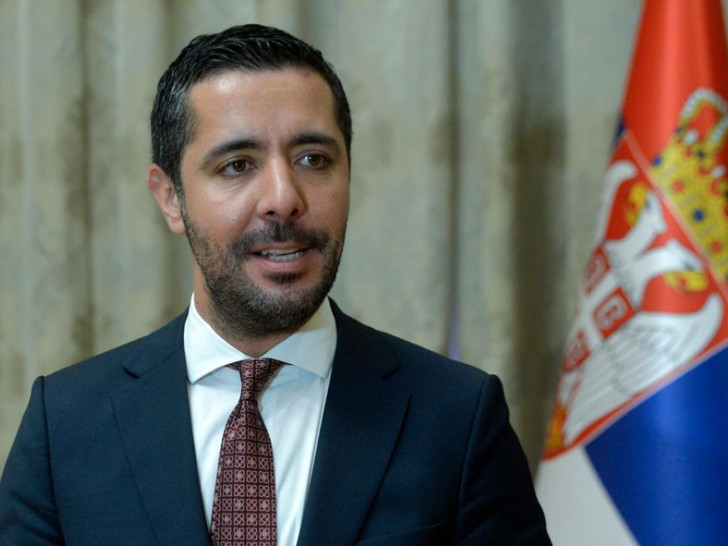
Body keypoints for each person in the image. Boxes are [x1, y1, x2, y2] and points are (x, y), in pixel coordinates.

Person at [0, 24, 550, 545]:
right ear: (170, 198)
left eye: (314, 159)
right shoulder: (64, 425)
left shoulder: (458, 417)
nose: (284, 198)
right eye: (237, 165)